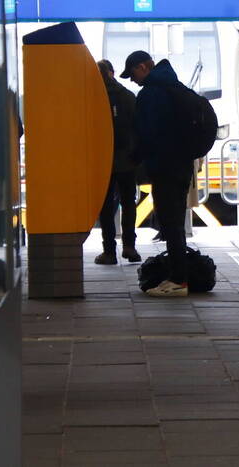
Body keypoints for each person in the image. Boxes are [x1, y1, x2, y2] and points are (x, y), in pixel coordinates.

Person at [122, 50, 192, 297]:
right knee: (175, 224)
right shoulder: (175, 86)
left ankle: (178, 281)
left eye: (132, 75)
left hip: (165, 167)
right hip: (181, 165)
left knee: (171, 224)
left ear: (143, 67)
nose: (133, 81)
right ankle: (177, 276)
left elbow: (147, 133)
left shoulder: (152, 94)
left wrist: (134, 158)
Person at [94, 59, 141, 265]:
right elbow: (139, 128)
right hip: (127, 160)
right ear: (112, 73)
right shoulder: (128, 96)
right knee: (128, 203)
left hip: (103, 161)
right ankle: (129, 246)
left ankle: (109, 251)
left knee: (106, 206)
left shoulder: (93, 97)